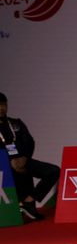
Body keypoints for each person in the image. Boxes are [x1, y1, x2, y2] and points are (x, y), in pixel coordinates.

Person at [0, 92, 60, 221]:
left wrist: (24, 158)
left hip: (23, 160)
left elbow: (29, 142)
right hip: (3, 166)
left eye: (4, 104)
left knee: (54, 171)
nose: (2, 108)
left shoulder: (15, 123)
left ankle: (28, 201)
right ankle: (17, 208)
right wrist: (10, 162)